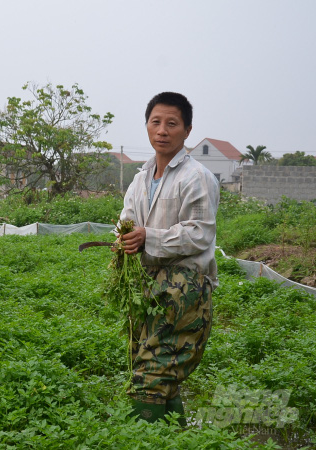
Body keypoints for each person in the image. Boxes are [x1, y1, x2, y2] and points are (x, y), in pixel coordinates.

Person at [118, 92, 219, 425]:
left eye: (171, 123)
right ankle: (175, 437)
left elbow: (200, 232)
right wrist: (123, 239)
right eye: (155, 122)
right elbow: (126, 222)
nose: (162, 130)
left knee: (152, 372)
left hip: (183, 288)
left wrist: (150, 237)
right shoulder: (139, 179)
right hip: (147, 286)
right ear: (147, 126)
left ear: (187, 130)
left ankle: (139, 439)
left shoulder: (196, 176)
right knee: (159, 370)